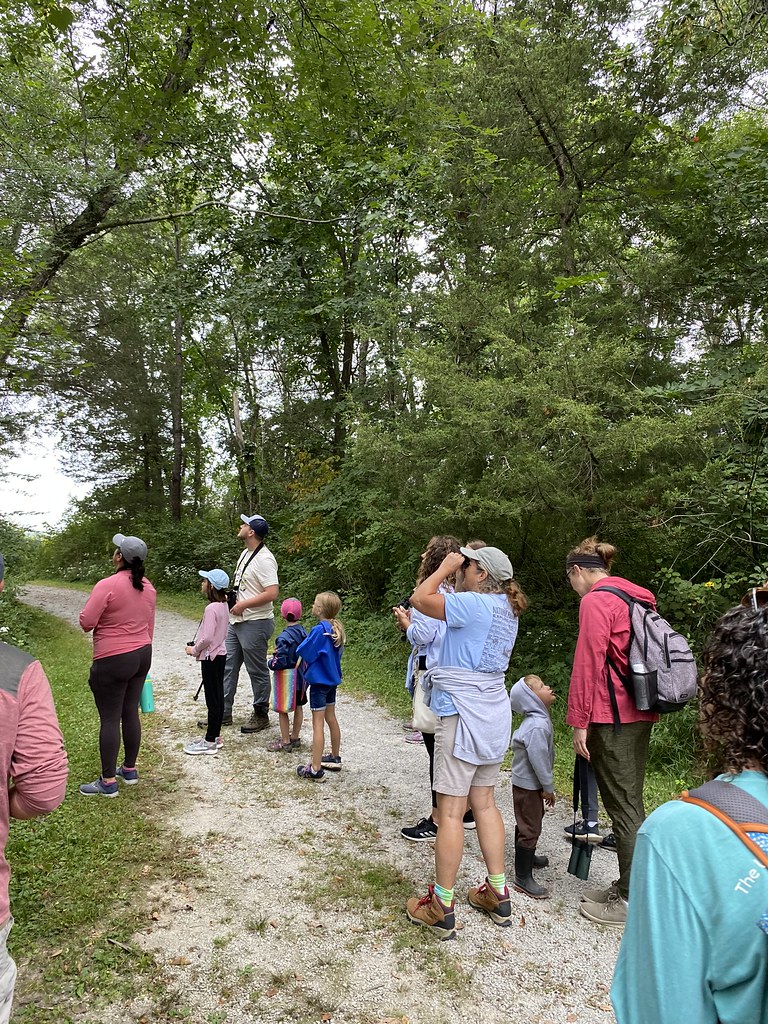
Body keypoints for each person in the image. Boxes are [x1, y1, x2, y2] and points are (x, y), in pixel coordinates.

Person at [611, 602, 768, 1023]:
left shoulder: (682, 835)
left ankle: (622, 887)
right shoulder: (640, 605)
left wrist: (579, 718)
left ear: (719, 699)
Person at [405, 545, 527, 939]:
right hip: (493, 711)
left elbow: (420, 599)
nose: (462, 568)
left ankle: (441, 904)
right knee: (486, 802)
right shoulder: (507, 609)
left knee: (452, 811)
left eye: (468, 564)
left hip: (462, 712)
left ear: (480, 574)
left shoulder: (475, 604)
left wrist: (443, 566)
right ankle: (497, 890)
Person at [565, 536, 658, 927]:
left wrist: (578, 721)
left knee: (623, 807)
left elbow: (588, 663)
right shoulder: (636, 596)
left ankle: (632, 901)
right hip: (640, 710)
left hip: (612, 716)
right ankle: (626, 884)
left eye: (569, 578)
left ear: (579, 571)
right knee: (629, 800)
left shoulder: (597, 601)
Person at [0, 552, 68, 1023]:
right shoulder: (14, 671)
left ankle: (113, 775)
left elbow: (87, 618)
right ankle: (124, 770)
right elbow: (43, 791)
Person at [394, 536, 470, 842]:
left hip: (433, 674)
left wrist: (406, 624)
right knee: (454, 747)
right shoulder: (459, 592)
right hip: (456, 673)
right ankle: (464, 811)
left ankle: (437, 818)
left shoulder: (428, 592)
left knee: (435, 747)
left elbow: (424, 636)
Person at [78, 533, 156, 796]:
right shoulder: (149, 588)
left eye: (115, 551)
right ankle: (130, 770)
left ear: (120, 557)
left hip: (113, 657)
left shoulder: (107, 585)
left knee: (110, 718)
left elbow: (87, 622)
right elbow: (149, 627)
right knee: (129, 712)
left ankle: (108, 782)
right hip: (142, 653)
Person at [221, 514, 279, 734]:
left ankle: (260, 713)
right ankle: (224, 712)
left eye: (244, 524)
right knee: (228, 666)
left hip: (255, 622)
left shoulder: (264, 559)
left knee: (256, 670)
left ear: (252, 531)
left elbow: (272, 592)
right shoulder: (246, 553)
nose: (240, 526)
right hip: (236, 620)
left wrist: (244, 605)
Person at [509, 674, 556, 899]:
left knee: (527, 820)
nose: (548, 687)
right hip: (529, 785)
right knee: (530, 825)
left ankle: (527, 857)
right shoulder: (537, 725)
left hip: (526, 783)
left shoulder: (538, 720)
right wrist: (548, 786)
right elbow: (539, 758)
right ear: (531, 699)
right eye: (542, 686)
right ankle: (522, 877)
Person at [295, 592, 345, 781]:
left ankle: (315, 769)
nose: (312, 606)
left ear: (321, 609)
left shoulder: (319, 631)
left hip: (318, 683)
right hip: (332, 681)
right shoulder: (335, 628)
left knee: (317, 724)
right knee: (331, 718)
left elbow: (304, 650)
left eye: (315, 604)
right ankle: (334, 756)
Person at [183, 569, 230, 755]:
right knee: (218, 695)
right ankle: (215, 736)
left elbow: (208, 637)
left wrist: (194, 650)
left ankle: (210, 741)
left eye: (204, 580)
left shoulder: (211, 609)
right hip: (220, 654)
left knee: (212, 698)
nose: (202, 583)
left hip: (210, 656)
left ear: (211, 586)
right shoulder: (224, 605)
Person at [266, 598, 308, 752]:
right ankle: (295, 737)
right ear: (300, 615)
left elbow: (280, 661)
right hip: (301, 678)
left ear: (282, 616)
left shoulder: (284, 637)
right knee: (299, 707)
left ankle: (285, 741)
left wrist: (270, 663)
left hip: (286, 679)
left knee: (283, 710)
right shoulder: (304, 632)